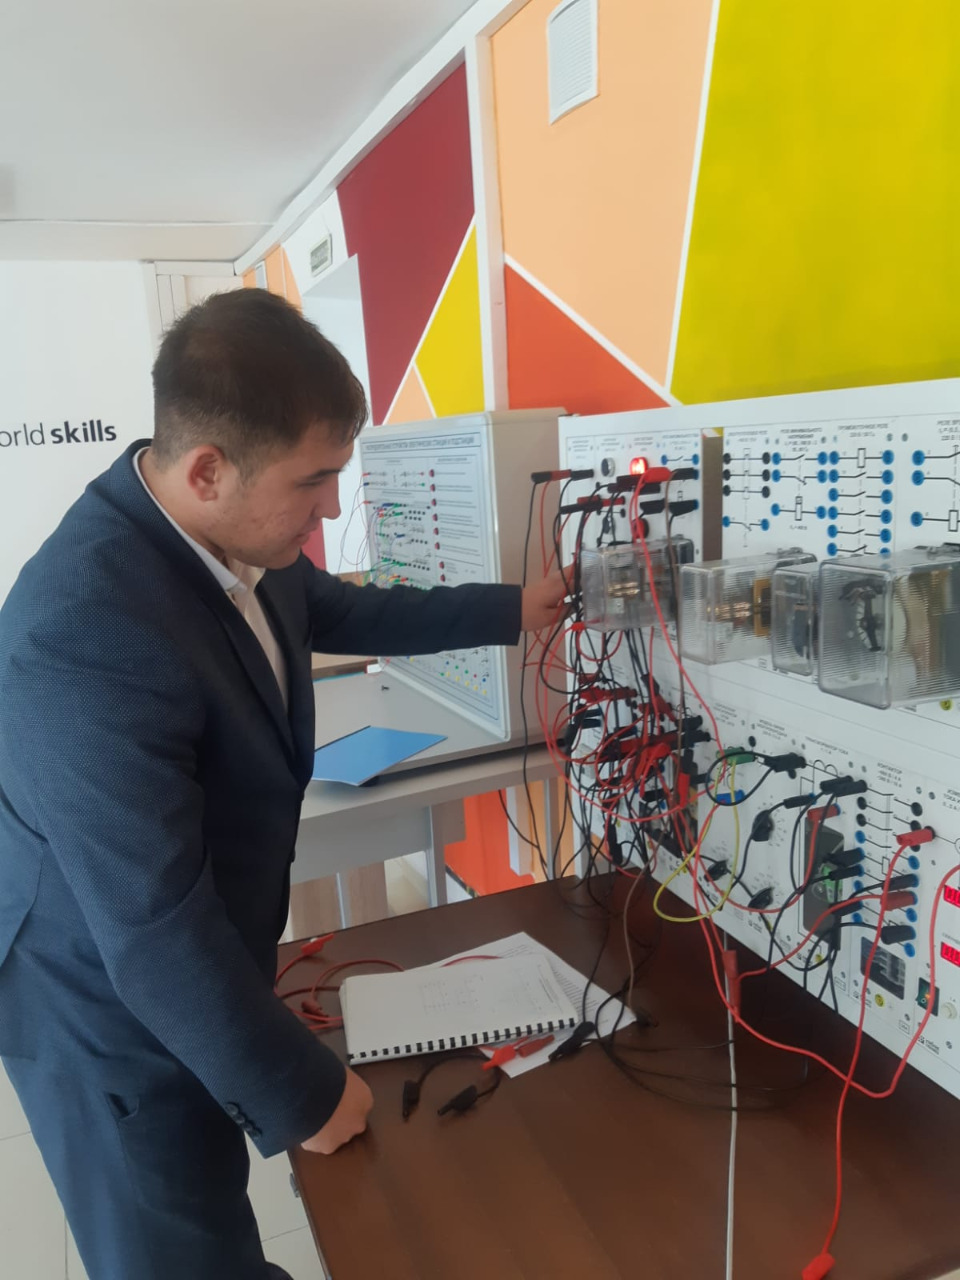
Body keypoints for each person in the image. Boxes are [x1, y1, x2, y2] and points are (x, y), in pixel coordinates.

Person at [0, 288, 567, 1280]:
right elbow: (151, 927)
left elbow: (348, 611)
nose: (331, 510)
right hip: (98, 1001)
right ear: (207, 469)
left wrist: (517, 605)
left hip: (180, 948)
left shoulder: (228, 534)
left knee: (216, 1187)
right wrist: (298, 1092)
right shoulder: (81, 629)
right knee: (173, 1244)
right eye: (316, 481)